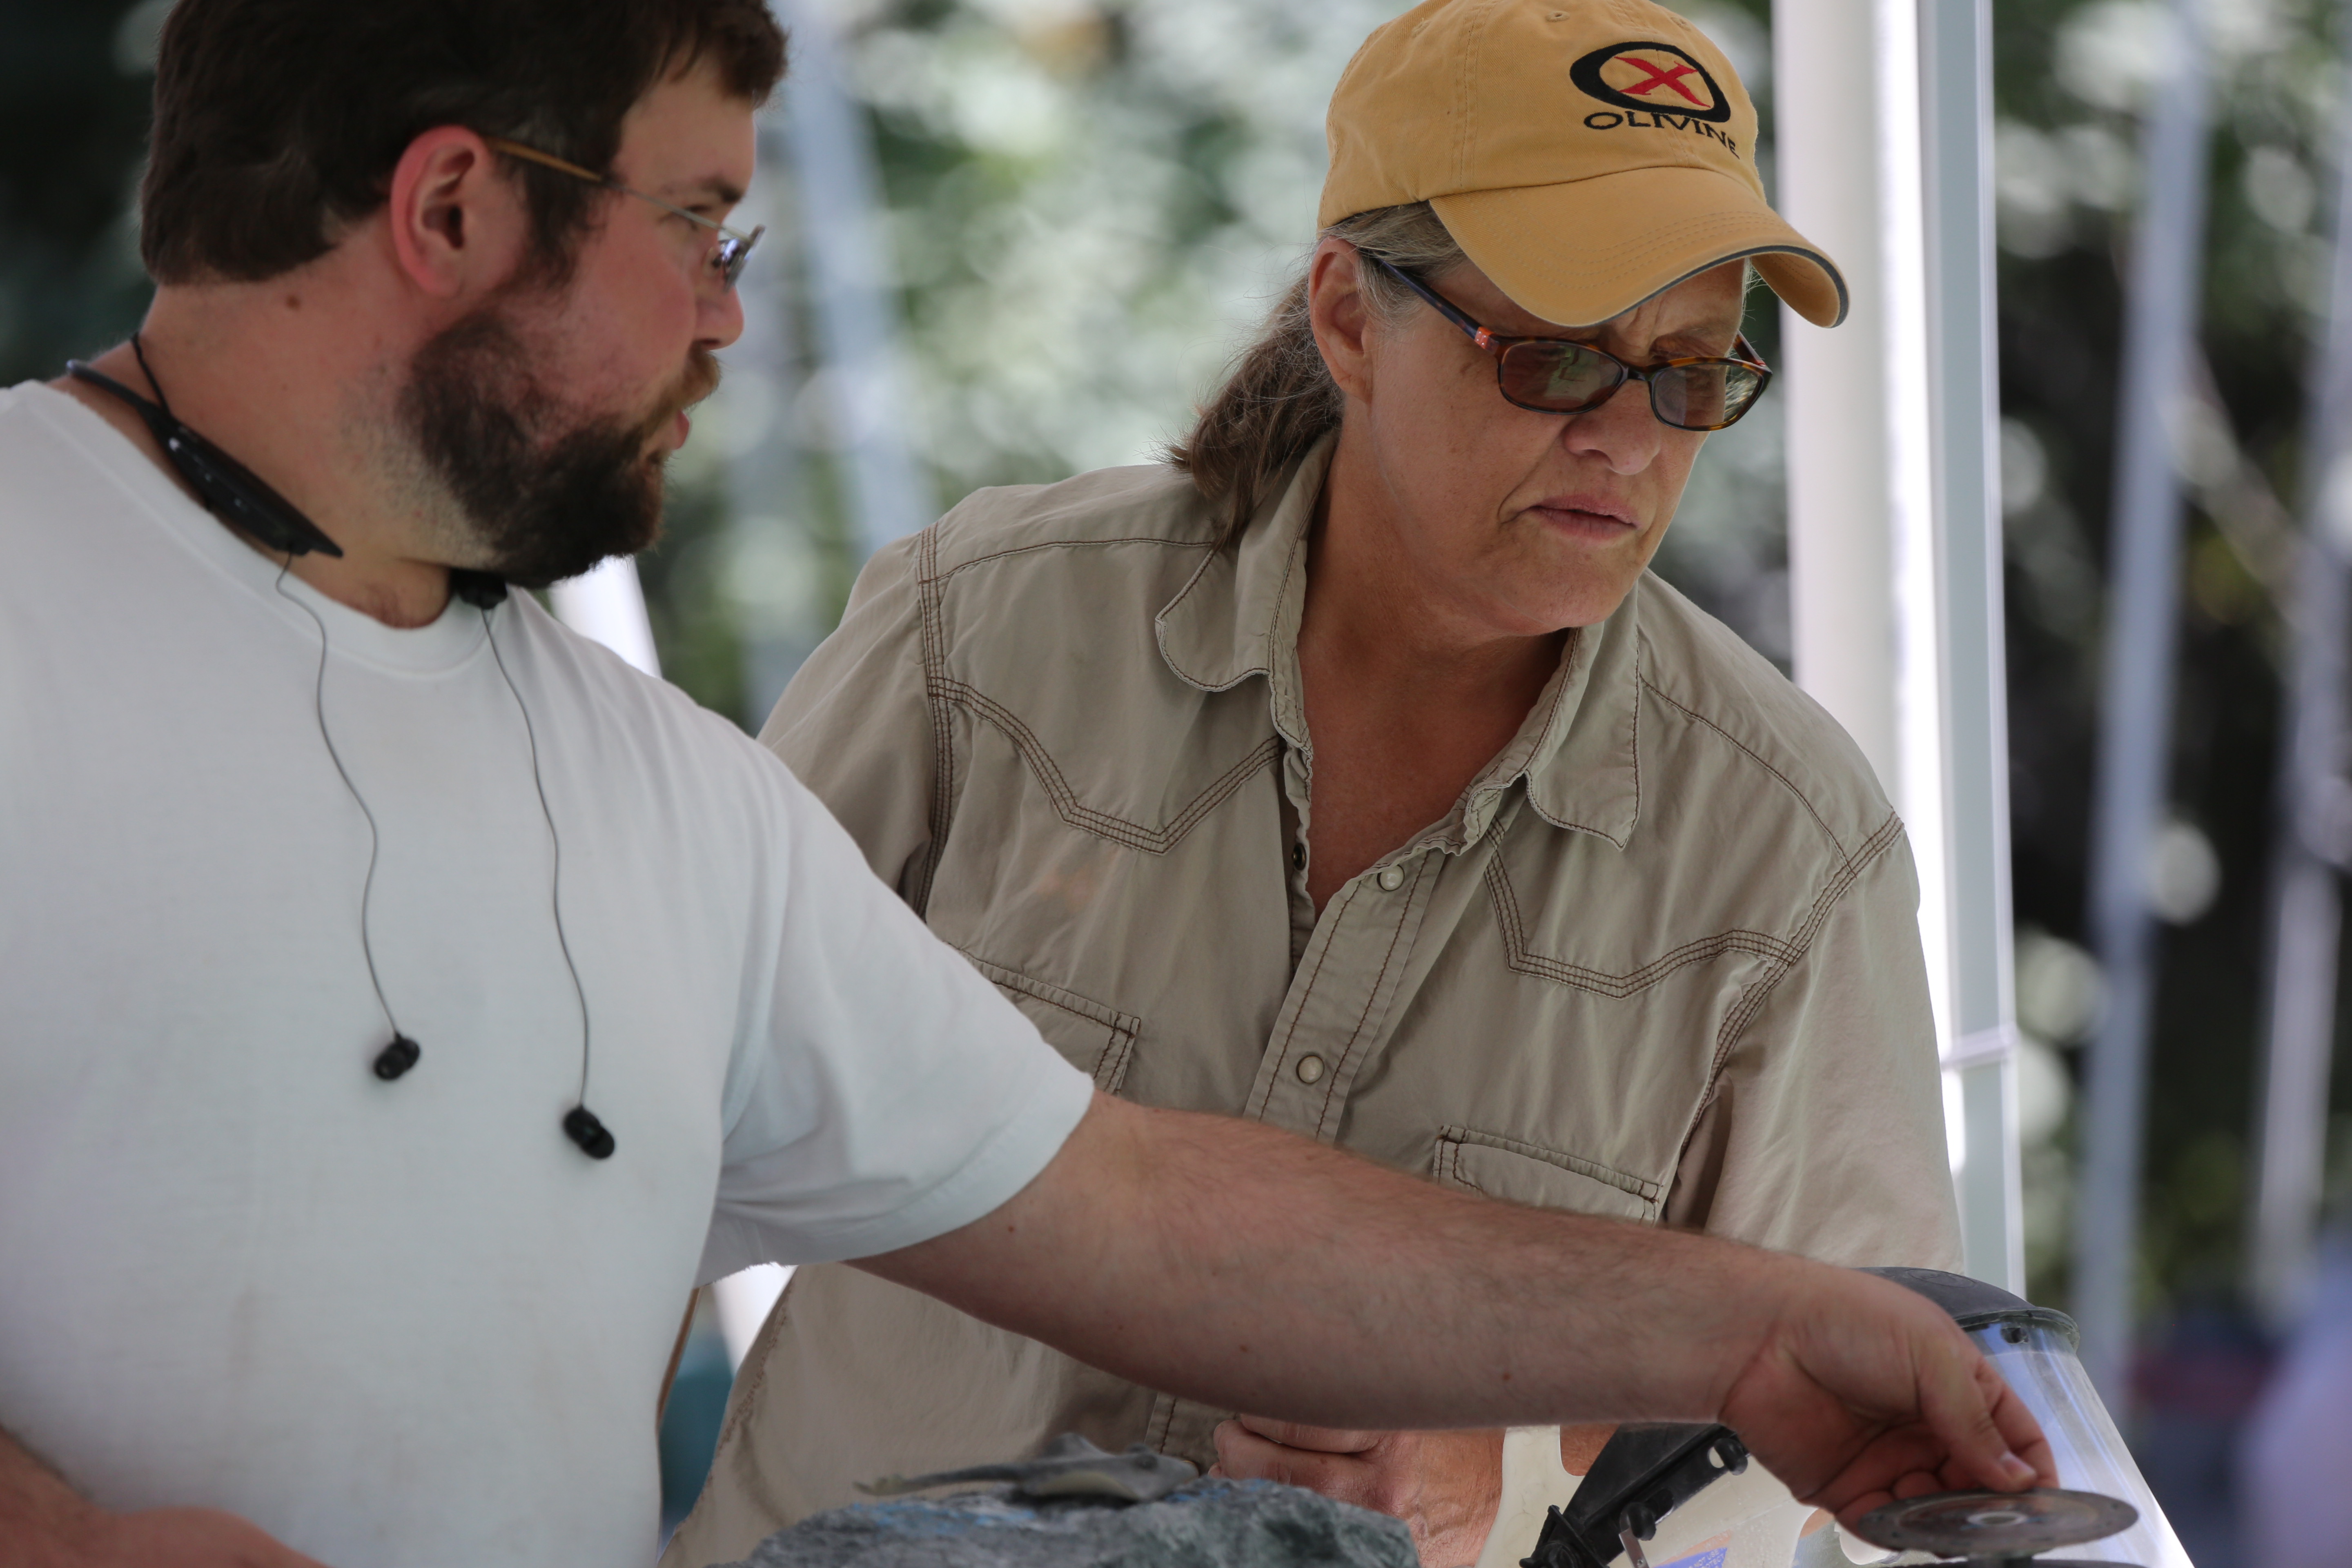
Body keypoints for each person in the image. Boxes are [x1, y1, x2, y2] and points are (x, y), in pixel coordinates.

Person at [0, 3, 2049, 1566]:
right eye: (704, 220)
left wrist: (1733, 1343)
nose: (734, 307)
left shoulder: (654, 792)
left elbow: (1137, 1211)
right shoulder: (37, 589)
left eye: (1693, 374)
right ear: (452, 207)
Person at [666, 2, 1963, 1566]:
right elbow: (657, 1125)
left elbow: (1851, 1446)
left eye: (1691, 375)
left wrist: (1509, 1476)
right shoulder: (988, 630)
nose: (1629, 441)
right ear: (1348, 314)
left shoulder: (1792, 854)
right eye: (1558, 358)